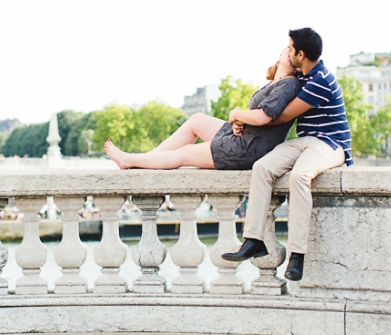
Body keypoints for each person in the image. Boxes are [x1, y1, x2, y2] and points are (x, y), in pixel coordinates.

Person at [222, 27, 351, 283]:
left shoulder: (320, 80)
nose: (287, 52)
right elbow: (267, 106)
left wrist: (238, 115)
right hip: (304, 140)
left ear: (300, 54)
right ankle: (253, 240)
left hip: (331, 144)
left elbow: (279, 117)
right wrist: (242, 120)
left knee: (300, 177)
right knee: (262, 168)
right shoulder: (302, 76)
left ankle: (297, 255)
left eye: (290, 49)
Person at [104, 46, 301, 172]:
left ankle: (130, 160)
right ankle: (146, 160)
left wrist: (235, 114)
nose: (291, 53)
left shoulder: (289, 84)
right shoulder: (277, 82)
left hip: (248, 149)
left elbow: (263, 117)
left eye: (295, 52)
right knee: (196, 120)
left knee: (186, 153)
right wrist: (238, 122)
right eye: (289, 49)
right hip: (245, 137)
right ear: (281, 54)